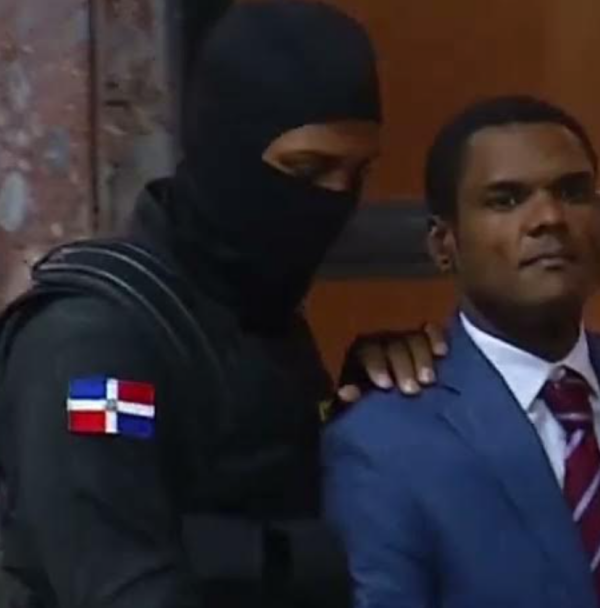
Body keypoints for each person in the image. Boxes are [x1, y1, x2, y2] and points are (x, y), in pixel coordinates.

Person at [0, 3, 443, 608]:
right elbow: (123, 584)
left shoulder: (258, 316)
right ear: (227, 148)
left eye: (356, 172)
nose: (333, 200)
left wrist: (367, 410)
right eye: (307, 169)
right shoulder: (94, 341)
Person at [322, 96, 600, 608]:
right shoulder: (382, 439)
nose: (549, 218)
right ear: (444, 245)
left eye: (572, 192)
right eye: (506, 200)